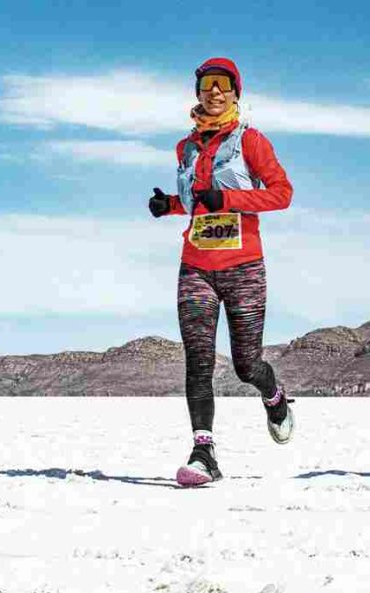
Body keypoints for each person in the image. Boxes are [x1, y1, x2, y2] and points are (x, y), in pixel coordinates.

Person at [147, 57, 295, 487]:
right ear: (197, 93)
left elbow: (282, 194)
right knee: (198, 361)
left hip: (244, 267)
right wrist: (169, 206)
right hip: (196, 265)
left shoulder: (252, 142)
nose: (214, 91)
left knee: (247, 365)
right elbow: (197, 202)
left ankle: (275, 397)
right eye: (206, 84)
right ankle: (203, 453)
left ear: (235, 93)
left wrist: (227, 200)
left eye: (222, 85)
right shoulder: (185, 148)